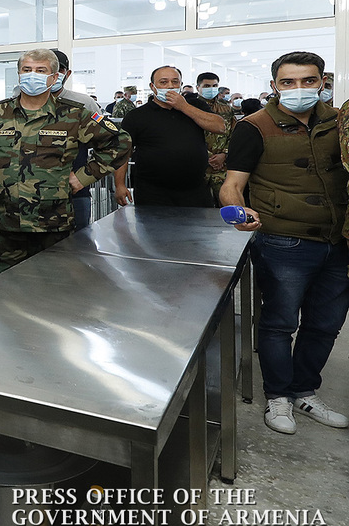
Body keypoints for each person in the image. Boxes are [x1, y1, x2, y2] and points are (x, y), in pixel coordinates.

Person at [222, 51, 349, 435]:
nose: (299, 89)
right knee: (279, 323)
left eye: (308, 81)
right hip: (284, 243)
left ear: (322, 82)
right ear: (274, 85)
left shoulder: (339, 122)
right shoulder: (254, 126)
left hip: (338, 240)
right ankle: (278, 395)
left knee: (325, 325)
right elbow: (232, 185)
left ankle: (304, 391)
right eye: (288, 82)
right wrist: (240, 213)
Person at [0, 48, 130, 274]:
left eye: (40, 70)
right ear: (19, 74)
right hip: (6, 225)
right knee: (4, 287)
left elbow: (120, 142)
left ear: (55, 77)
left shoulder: (74, 115)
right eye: (27, 70)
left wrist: (83, 177)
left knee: (56, 284)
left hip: (53, 224)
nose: (32, 75)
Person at [114, 66, 225, 208]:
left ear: (181, 84)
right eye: (163, 82)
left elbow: (219, 127)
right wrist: (120, 184)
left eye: (175, 82)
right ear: (153, 87)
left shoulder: (196, 106)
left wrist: (184, 107)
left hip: (195, 189)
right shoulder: (137, 116)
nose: (170, 86)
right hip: (152, 192)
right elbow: (123, 151)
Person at [50, 49, 101, 227]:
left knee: (78, 241)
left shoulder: (84, 104)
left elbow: (111, 143)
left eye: (59, 69)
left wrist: (86, 175)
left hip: (74, 193)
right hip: (28, 196)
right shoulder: (18, 105)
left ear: (67, 73)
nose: (53, 74)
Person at [196, 71, 236, 199]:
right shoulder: (192, 108)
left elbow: (234, 133)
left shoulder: (226, 108)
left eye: (214, 86)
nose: (211, 89)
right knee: (199, 203)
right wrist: (208, 157)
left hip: (222, 167)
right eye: (207, 86)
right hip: (199, 165)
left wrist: (224, 154)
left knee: (225, 201)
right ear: (198, 88)